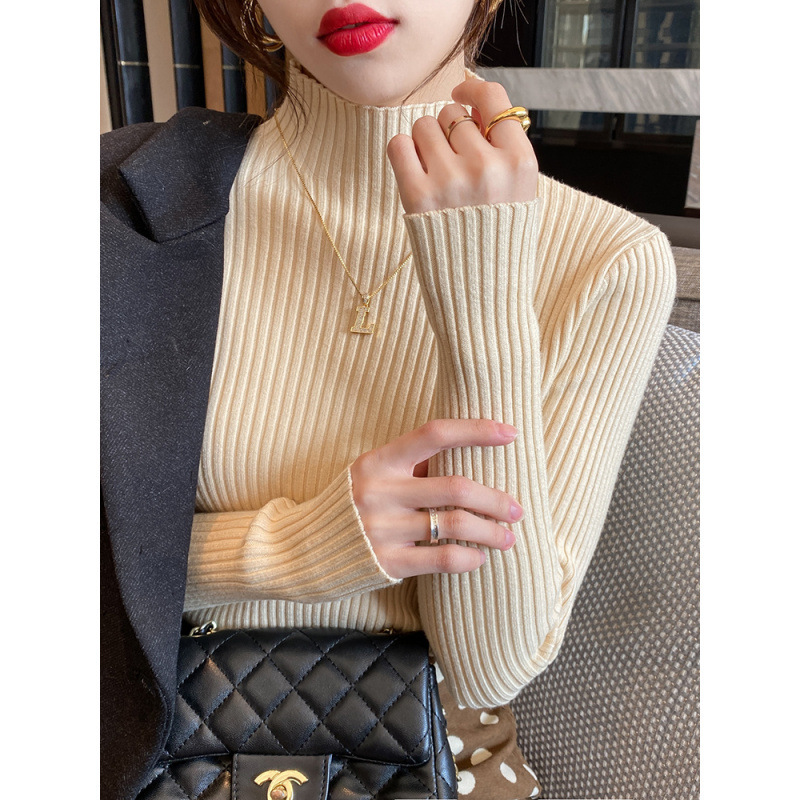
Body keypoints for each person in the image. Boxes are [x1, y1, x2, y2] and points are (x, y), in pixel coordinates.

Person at [100, 1, 677, 799]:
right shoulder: (117, 207)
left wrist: (482, 301)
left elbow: (489, 667)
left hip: (435, 767)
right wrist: (300, 548)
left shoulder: (609, 261)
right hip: (148, 747)